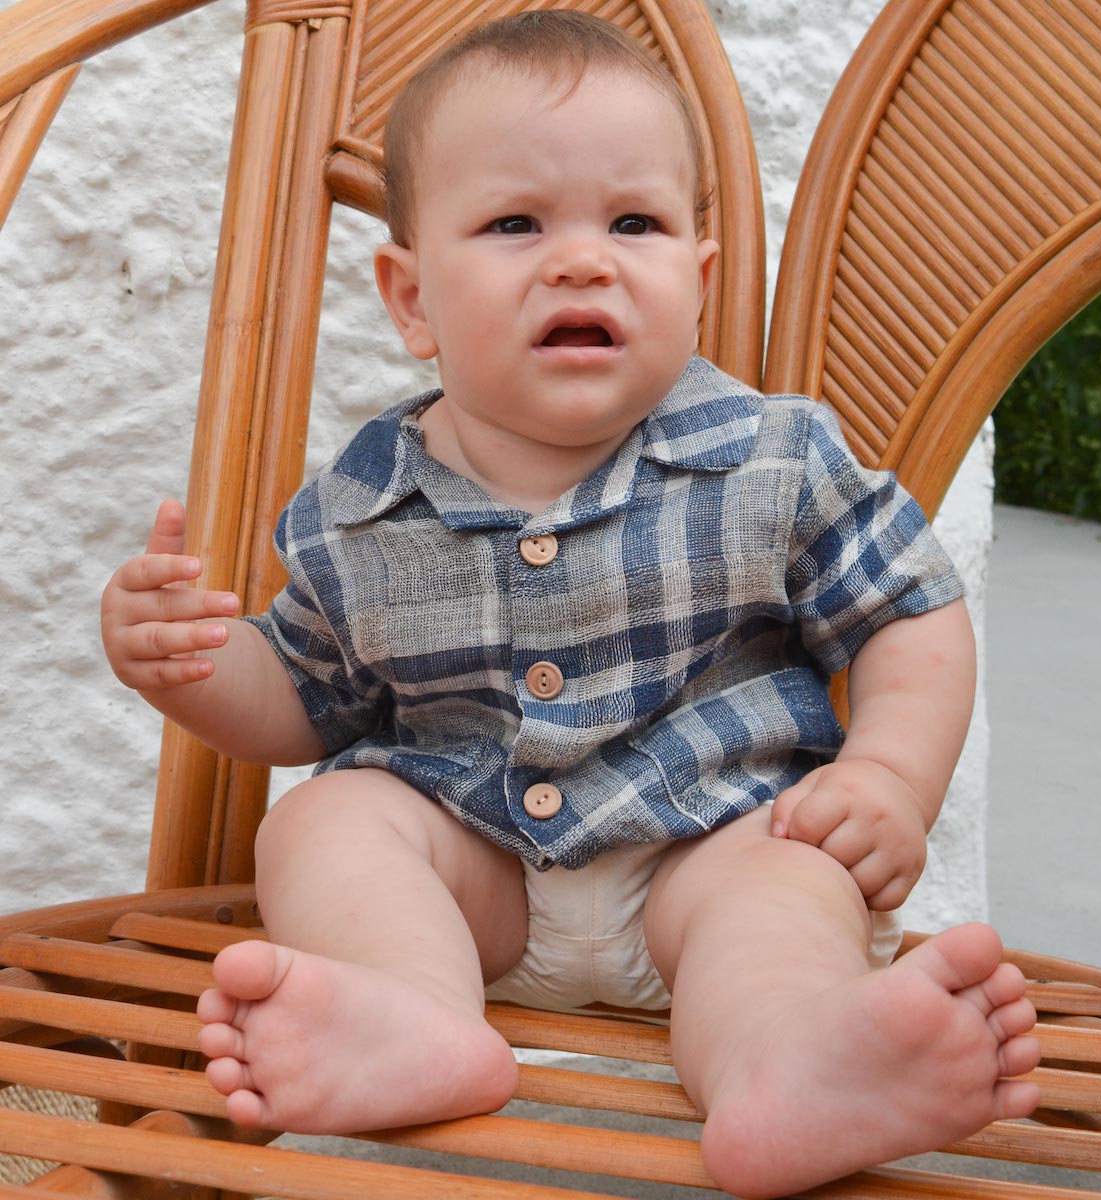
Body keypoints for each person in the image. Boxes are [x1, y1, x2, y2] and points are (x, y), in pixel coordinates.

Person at [100, 11, 1040, 1197]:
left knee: (784, 894)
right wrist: (188, 665)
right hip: (477, 878)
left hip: (711, 845)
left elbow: (907, 610)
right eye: (514, 225)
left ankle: (787, 1069)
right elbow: (302, 700)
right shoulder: (360, 507)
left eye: (633, 223)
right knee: (323, 825)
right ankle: (413, 1021)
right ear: (412, 298)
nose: (584, 259)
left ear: (697, 279)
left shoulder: (772, 460)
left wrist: (888, 780)